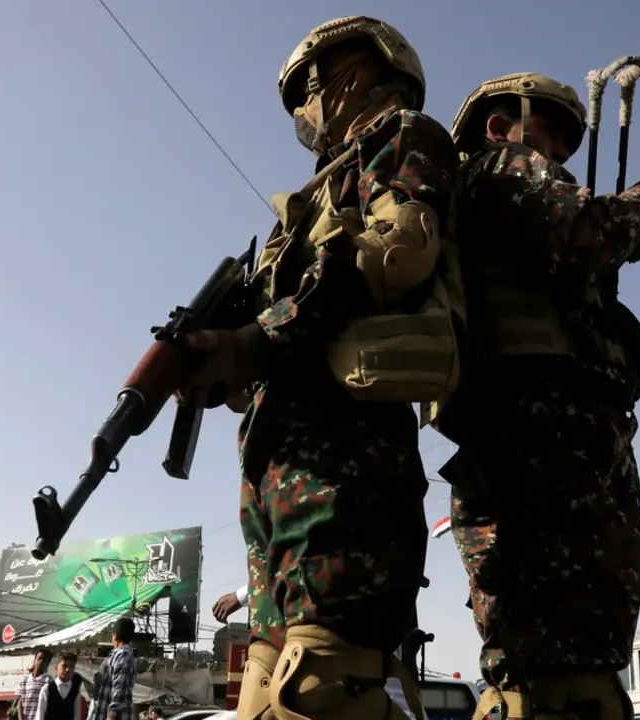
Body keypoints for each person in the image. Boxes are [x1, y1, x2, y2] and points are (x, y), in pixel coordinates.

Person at [175, 15, 458, 720]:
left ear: (352, 74)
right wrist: (220, 359)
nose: (304, 111)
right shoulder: (307, 204)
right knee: (266, 696)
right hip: (277, 475)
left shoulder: (402, 137)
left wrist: (254, 340)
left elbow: (398, 250)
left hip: (344, 466)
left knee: (325, 687)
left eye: (308, 89)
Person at [439, 72, 640, 719]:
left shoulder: (475, 206)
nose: (558, 166)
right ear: (499, 128)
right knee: (566, 677)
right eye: (550, 145)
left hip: (526, 433)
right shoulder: (501, 166)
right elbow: (583, 233)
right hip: (549, 434)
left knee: (544, 668)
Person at [88, 618, 137, 720]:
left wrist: (112, 715)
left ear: (115, 635)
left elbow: (120, 687)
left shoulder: (123, 654)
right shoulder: (118, 654)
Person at [35, 652, 84, 720]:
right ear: (56, 668)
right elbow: (40, 715)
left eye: (71, 666)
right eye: (64, 666)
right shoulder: (47, 688)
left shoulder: (76, 690)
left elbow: (77, 715)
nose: (68, 669)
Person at [16, 650, 54, 720]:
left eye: (45, 660)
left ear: (48, 663)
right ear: (35, 660)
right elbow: (20, 703)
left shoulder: (49, 680)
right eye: (40, 658)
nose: (42, 661)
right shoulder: (25, 680)